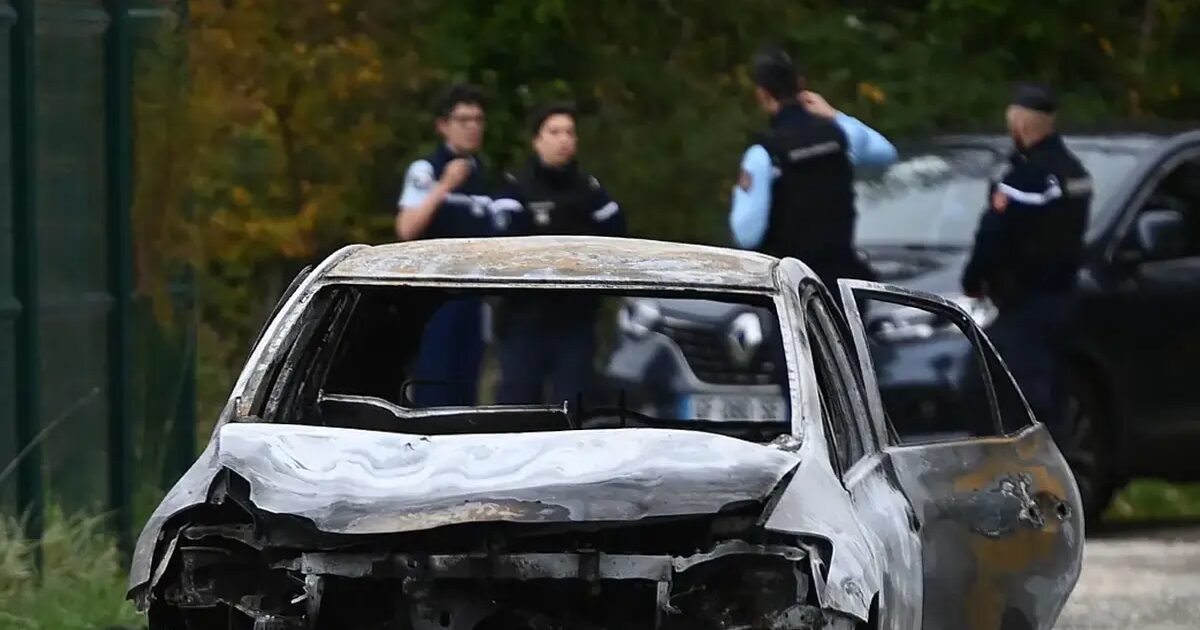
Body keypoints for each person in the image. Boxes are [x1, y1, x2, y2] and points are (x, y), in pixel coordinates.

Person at [962, 83, 1092, 444]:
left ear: (1020, 126)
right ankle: (1058, 479)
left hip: (1025, 304)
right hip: (1063, 299)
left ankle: (1024, 481)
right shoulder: (1075, 172)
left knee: (1002, 393)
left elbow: (994, 235)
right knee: (1054, 397)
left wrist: (974, 279)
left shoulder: (1027, 180)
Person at [729, 46, 898, 298]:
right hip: (844, 287)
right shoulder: (839, 136)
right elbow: (886, 153)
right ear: (802, 85)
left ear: (763, 95)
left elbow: (747, 235)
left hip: (793, 293)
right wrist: (835, 115)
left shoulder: (764, 155)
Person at [489, 103, 626, 405]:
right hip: (525, 320)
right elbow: (506, 244)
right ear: (537, 140)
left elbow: (618, 237)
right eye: (554, 132)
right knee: (517, 409)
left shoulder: (589, 189)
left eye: (569, 133)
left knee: (574, 408)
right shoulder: (516, 189)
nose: (564, 139)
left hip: (576, 321)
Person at [394, 83, 498, 406]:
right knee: (433, 390)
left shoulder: (486, 177)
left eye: (478, 119)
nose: (472, 127)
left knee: (466, 392)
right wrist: (445, 186)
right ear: (444, 125)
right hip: (434, 298)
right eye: (464, 119)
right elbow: (407, 228)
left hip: (474, 299)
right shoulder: (426, 170)